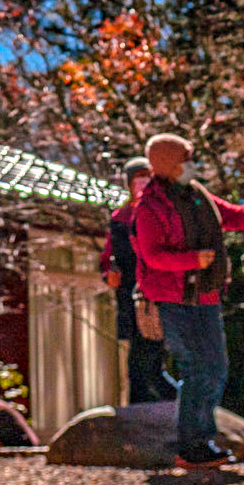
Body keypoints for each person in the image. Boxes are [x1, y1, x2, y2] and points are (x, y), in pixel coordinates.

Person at [130, 131, 244, 468]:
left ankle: (203, 439)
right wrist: (193, 260)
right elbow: (152, 256)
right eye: (185, 159)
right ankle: (192, 444)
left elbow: (230, 216)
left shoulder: (196, 195)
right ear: (169, 164)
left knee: (216, 368)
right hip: (175, 299)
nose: (192, 165)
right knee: (196, 368)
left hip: (205, 295)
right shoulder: (149, 207)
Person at [99, 157, 174, 404]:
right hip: (129, 296)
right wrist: (108, 271)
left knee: (148, 362)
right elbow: (108, 255)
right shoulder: (120, 217)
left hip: (153, 295)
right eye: (137, 176)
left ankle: (175, 407)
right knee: (140, 363)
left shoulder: (159, 211)